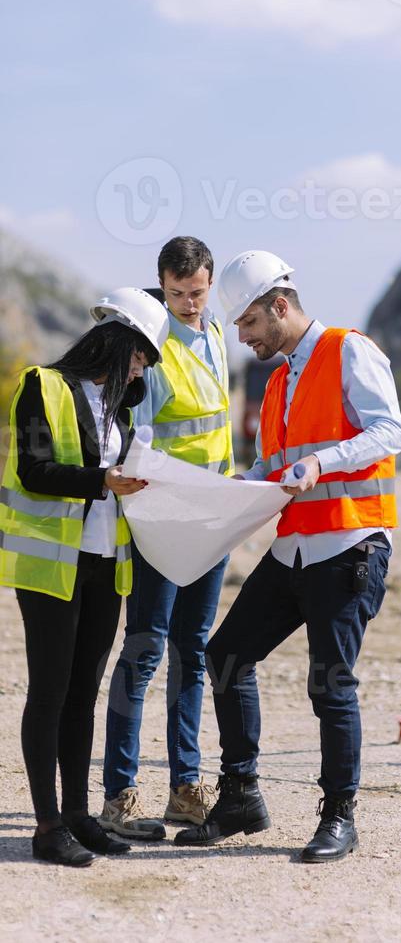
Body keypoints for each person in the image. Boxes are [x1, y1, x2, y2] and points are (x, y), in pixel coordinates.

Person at [175, 250, 401, 863]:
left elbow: (390, 431)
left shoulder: (349, 350)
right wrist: (232, 487)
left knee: (329, 684)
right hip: (295, 548)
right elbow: (277, 467)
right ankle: (242, 795)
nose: (243, 338)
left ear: (279, 306)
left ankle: (339, 816)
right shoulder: (278, 379)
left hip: (350, 544)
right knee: (225, 656)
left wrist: (322, 463)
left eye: (248, 324)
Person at [0, 287, 168, 867]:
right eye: (143, 356)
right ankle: (46, 827)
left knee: (82, 695)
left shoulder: (118, 408)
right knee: (48, 693)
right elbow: (35, 469)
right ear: (119, 342)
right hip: (52, 565)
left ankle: (77, 816)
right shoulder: (41, 386)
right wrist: (104, 481)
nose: (143, 368)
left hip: (102, 566)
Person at [101, 237, 234, 840]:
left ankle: (186, 790)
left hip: (214, 518)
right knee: (145, 649)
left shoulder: (217, 334)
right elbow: (141, 442)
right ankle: (119, 795)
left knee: (193, 654)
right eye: (177, 292)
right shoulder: (151, 344)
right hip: (164, 517)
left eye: (197, 292)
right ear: (160, 283)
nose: (187, 303)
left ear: (210, 285)